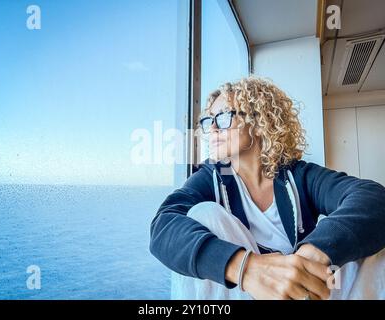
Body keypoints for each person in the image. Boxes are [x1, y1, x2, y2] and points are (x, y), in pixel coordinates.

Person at [149, 76, 385, 300]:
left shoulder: (299, 175)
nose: (212, 129)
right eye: (209, 120)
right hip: (245, 291)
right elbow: (164, 225)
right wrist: (245, 268)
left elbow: (373, 198)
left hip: (304, 290)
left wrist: (315, 252)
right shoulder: (212, 175)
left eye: (222, 117)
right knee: (203, 214)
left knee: (369, 242)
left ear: (260, 122)